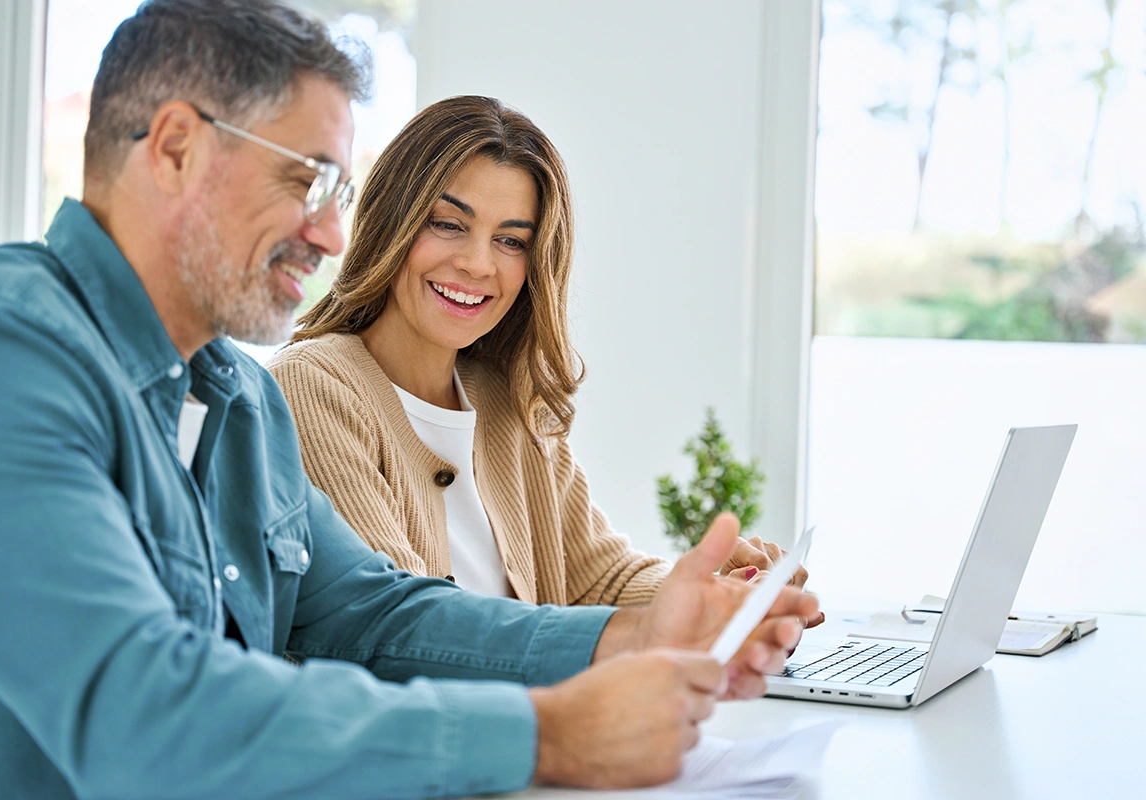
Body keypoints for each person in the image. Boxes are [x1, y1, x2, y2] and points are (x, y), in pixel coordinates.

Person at [0, 2, 819, 799]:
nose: (331, 234)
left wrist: (638, 635)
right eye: (306, 181)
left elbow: (373, 613)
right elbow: (142, 709)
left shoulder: (237, 397)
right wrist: (544, 734)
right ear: (175, 148)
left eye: (339, 194)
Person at [268, 95, 820, 611]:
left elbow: (604, 580)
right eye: (448, 224)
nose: (478, 264)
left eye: (512, 241)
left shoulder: (508, 400)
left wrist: (719, 599)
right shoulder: (313, 387)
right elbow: (405, 622)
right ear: (391, 219)